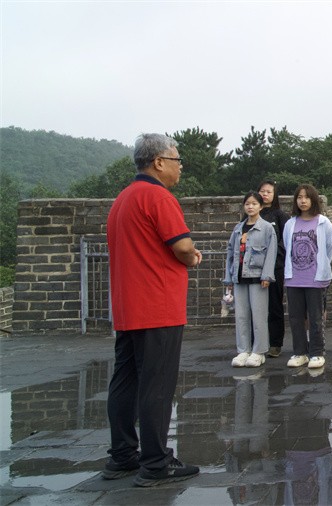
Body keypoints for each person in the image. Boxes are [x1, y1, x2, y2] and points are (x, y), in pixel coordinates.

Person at [104, 133, 202, 486]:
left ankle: (122, 454)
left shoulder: (122, 199)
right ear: (159, 162)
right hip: (157, 304)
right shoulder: (158, 196)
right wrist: (193, 257)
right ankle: (156, 463)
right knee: (157, 385)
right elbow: (182, 246)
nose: (180, 167)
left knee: (125, 381)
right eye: (176, 160)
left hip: (127, 306)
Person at [283, 184, 332, 370]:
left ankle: (316, 352)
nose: (303, 201)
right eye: (299, 197)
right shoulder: (290, 224)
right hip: (294, 278)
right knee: (295, 317)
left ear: (313, 199)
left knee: (315, 317)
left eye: (306, 197)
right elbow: (287, 246)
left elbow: (330, 247)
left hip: (316, 278)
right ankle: (300, 352)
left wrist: (322, 266)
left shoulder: (323, 222)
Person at [225, 192, 278, 368]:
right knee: (241, 316)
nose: (250, 207)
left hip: (258, 277)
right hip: (239, 276)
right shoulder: (238, 228)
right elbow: (230, 253)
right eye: (247, 203)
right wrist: (229, 277)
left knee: (259, 315)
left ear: (260, 206)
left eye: (254, 203)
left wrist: (267, 275)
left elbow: (271, 252)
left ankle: (259, 351)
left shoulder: (267, 228)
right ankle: (243, 350)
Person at [257, 180, 290, 359]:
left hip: (275, 267)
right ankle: (257, 343)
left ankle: (275, 344)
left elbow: (286, 240)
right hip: (254, 267)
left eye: (269, 191)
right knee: (256, 307)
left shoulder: (280, 215)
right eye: (262, 191)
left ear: (274, 195)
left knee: (274, 306)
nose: (265, 194)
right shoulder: (253, 213)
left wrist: (275, 256)